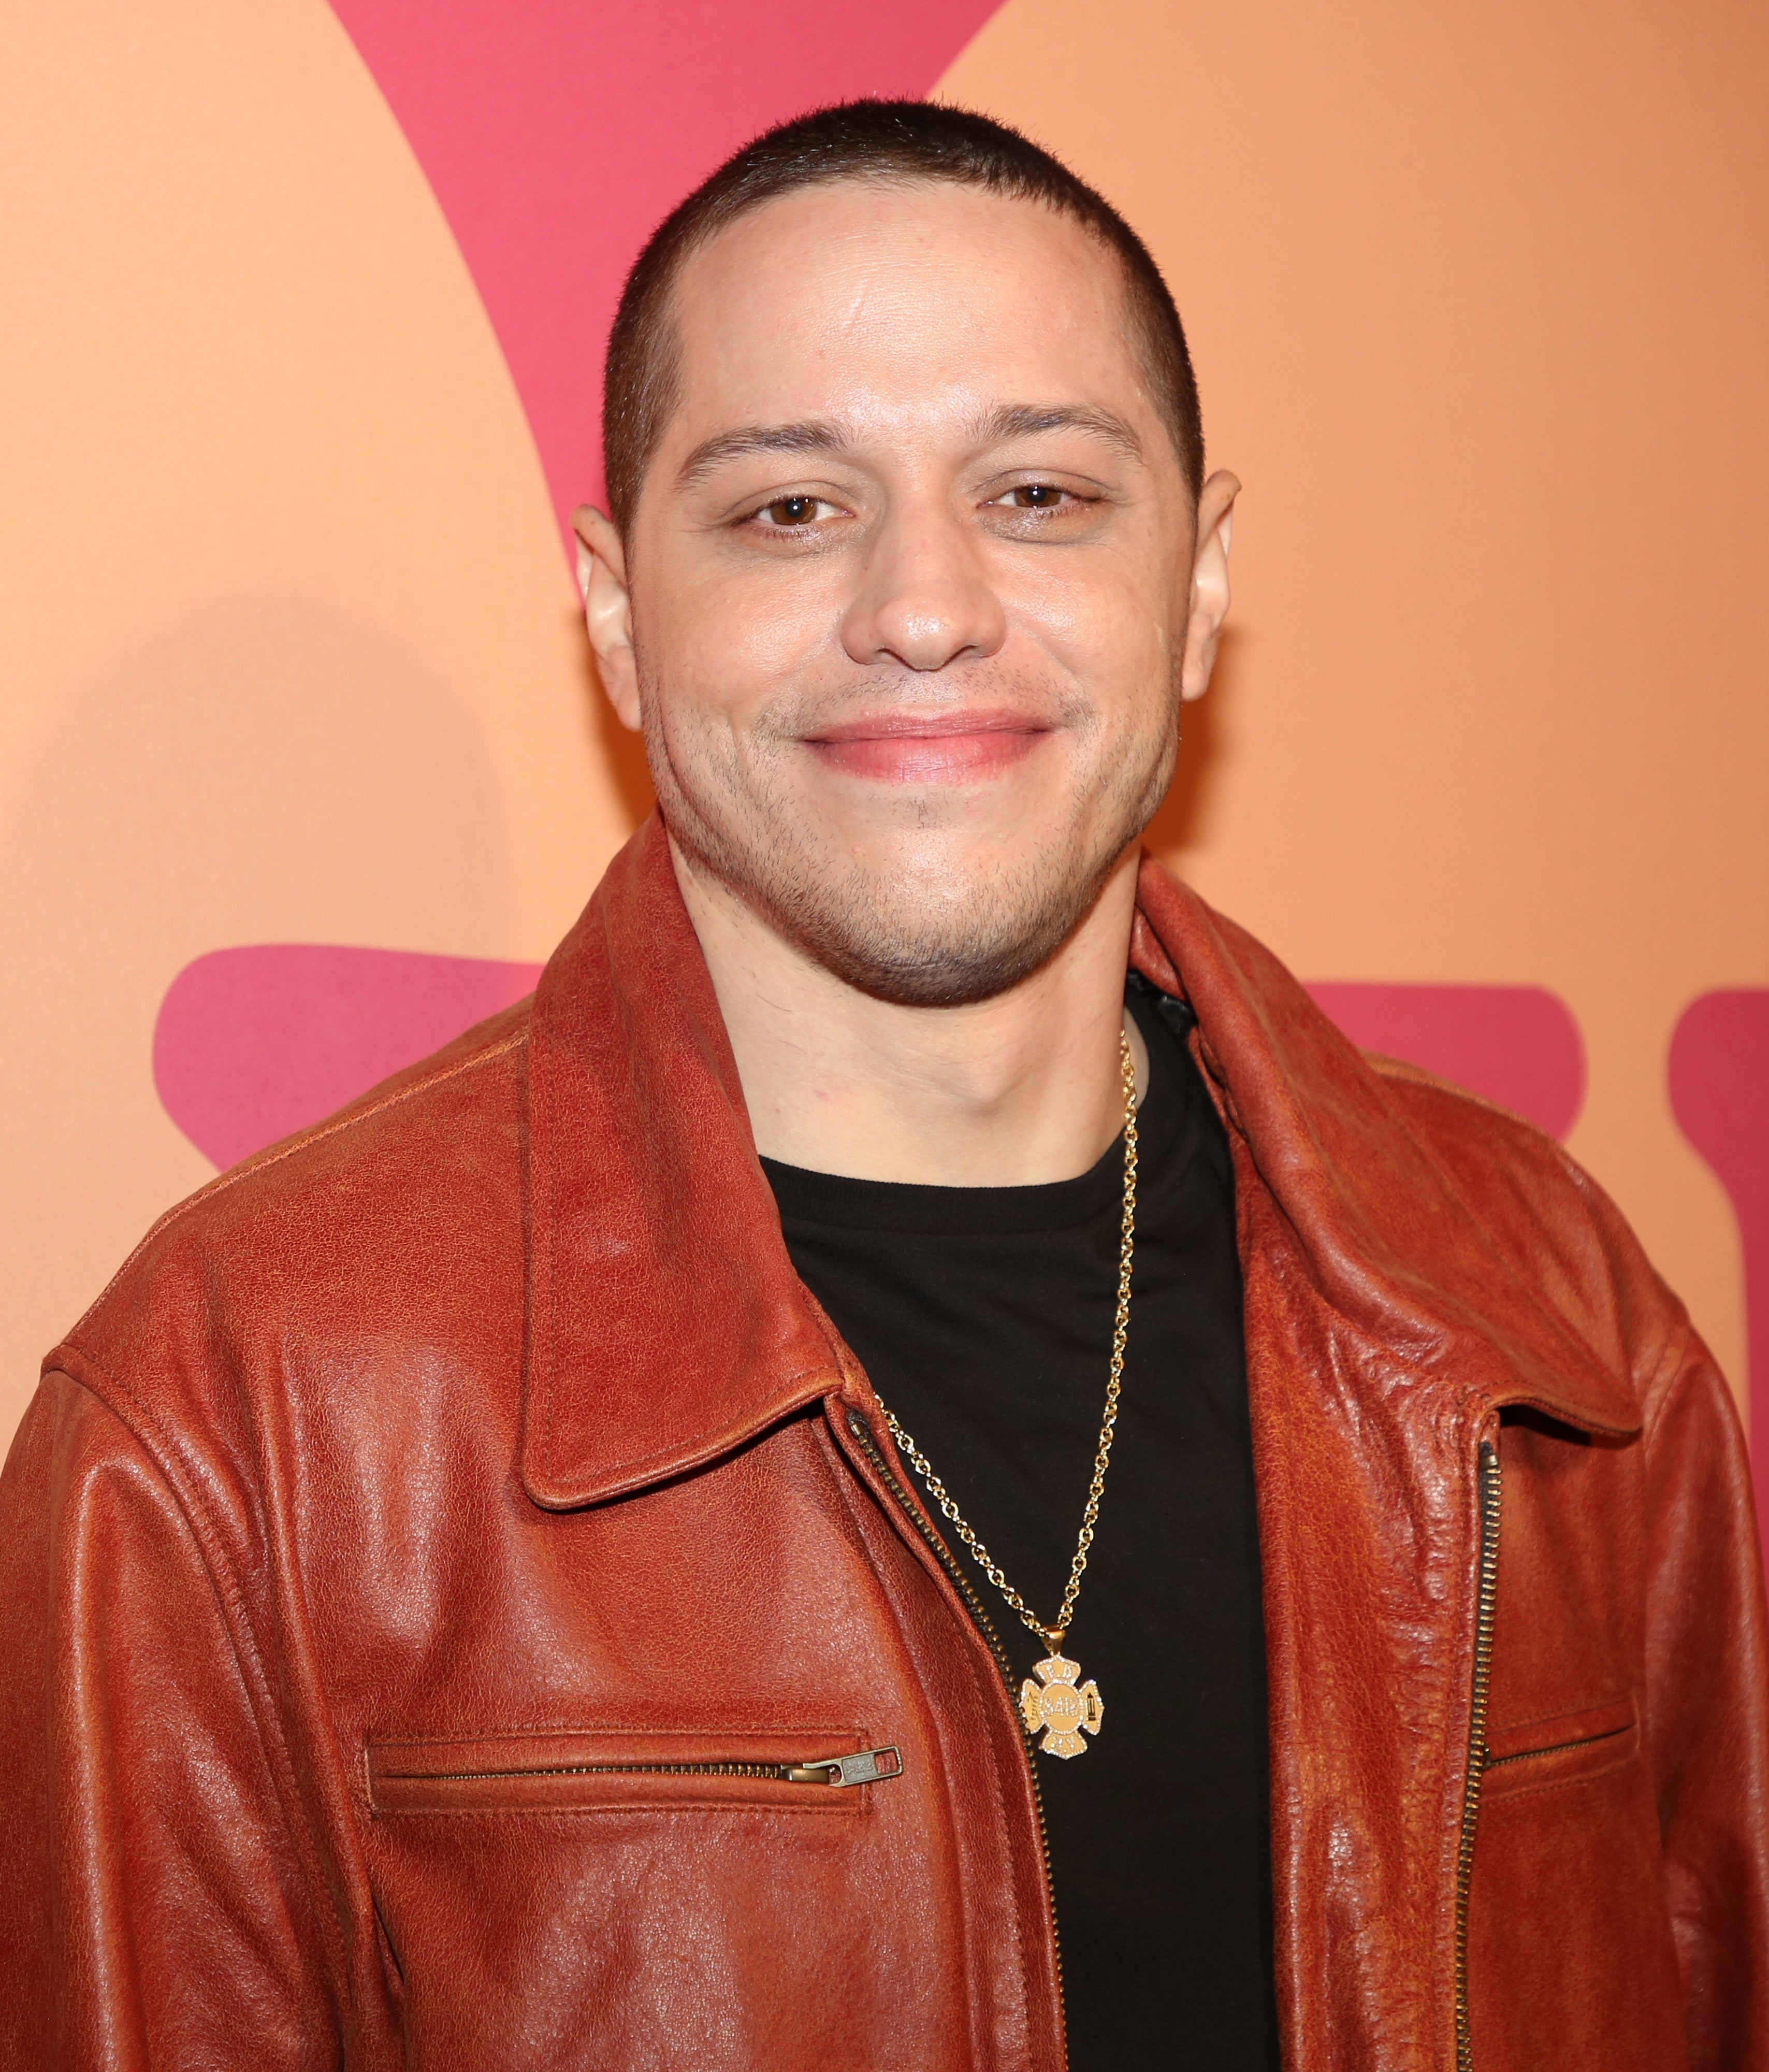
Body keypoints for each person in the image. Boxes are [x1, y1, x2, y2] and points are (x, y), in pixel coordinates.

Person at [2, 98, 1764, 2072]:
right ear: (616, 614)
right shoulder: (235, 1415)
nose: (925, 608)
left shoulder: (1555, 1321)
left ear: (1200, 585)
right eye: (790, 509)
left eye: (1041, 493)